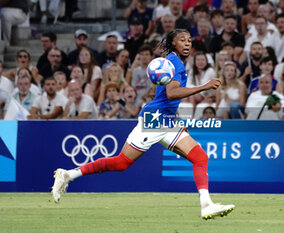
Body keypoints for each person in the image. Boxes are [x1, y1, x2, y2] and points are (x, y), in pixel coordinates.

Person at [52, 29, 235, 220]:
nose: (187, 43)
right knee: (122, 162)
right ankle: (67, 175)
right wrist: (204, 87)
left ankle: (206, 205)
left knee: (200, 157)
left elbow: (166, 98)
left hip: (165, 120)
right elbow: (172, 93)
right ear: (173, 43)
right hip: (155, 120)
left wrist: (177, 122)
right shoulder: (174, 64)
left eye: (189, 40)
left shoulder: (173, 62)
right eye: (182, 40)